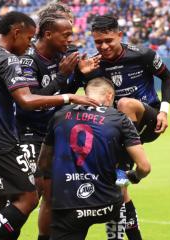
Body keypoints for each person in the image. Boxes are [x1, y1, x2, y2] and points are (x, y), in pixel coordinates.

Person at [0, 11, 98, 240]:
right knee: (28, 198)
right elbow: (27, 101)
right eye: (28, 38)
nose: (29, 44)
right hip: (1, 140)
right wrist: (69, 98)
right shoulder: (8, 60)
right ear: (16, 33)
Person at [80, 15, 170, 240]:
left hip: (148, 121)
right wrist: (85, 76)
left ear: (120, 36)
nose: (103, 46)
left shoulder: (142, 54)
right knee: (118, 188)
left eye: (108, 40)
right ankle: (127, 235)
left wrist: (164, 110)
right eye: (98, 42)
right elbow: (90, 96)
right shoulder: (95, 64)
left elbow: (168, 78)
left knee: (125, 103)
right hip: (117, 130)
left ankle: (123, 166)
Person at [38, 77, 151, 240]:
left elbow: (43, 162)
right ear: (109, 95)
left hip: (68, 204)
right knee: (120, 185)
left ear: (86, 94)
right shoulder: (119, 118)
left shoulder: (60, 115)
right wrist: (133, 176)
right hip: (107, 204)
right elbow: (144, 167)